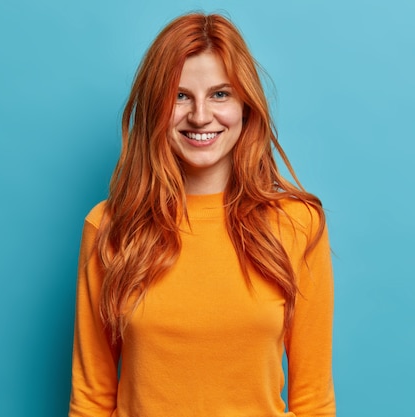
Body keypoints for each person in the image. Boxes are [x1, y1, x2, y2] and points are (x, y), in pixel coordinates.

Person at [68, 12, 335, 417]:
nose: (199, 116)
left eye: (220, 94)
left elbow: (313, 400)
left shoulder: (297, 224)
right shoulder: (110, 228)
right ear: (157, 107)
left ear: (246, 105)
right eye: (180, 95)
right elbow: (91, 398)